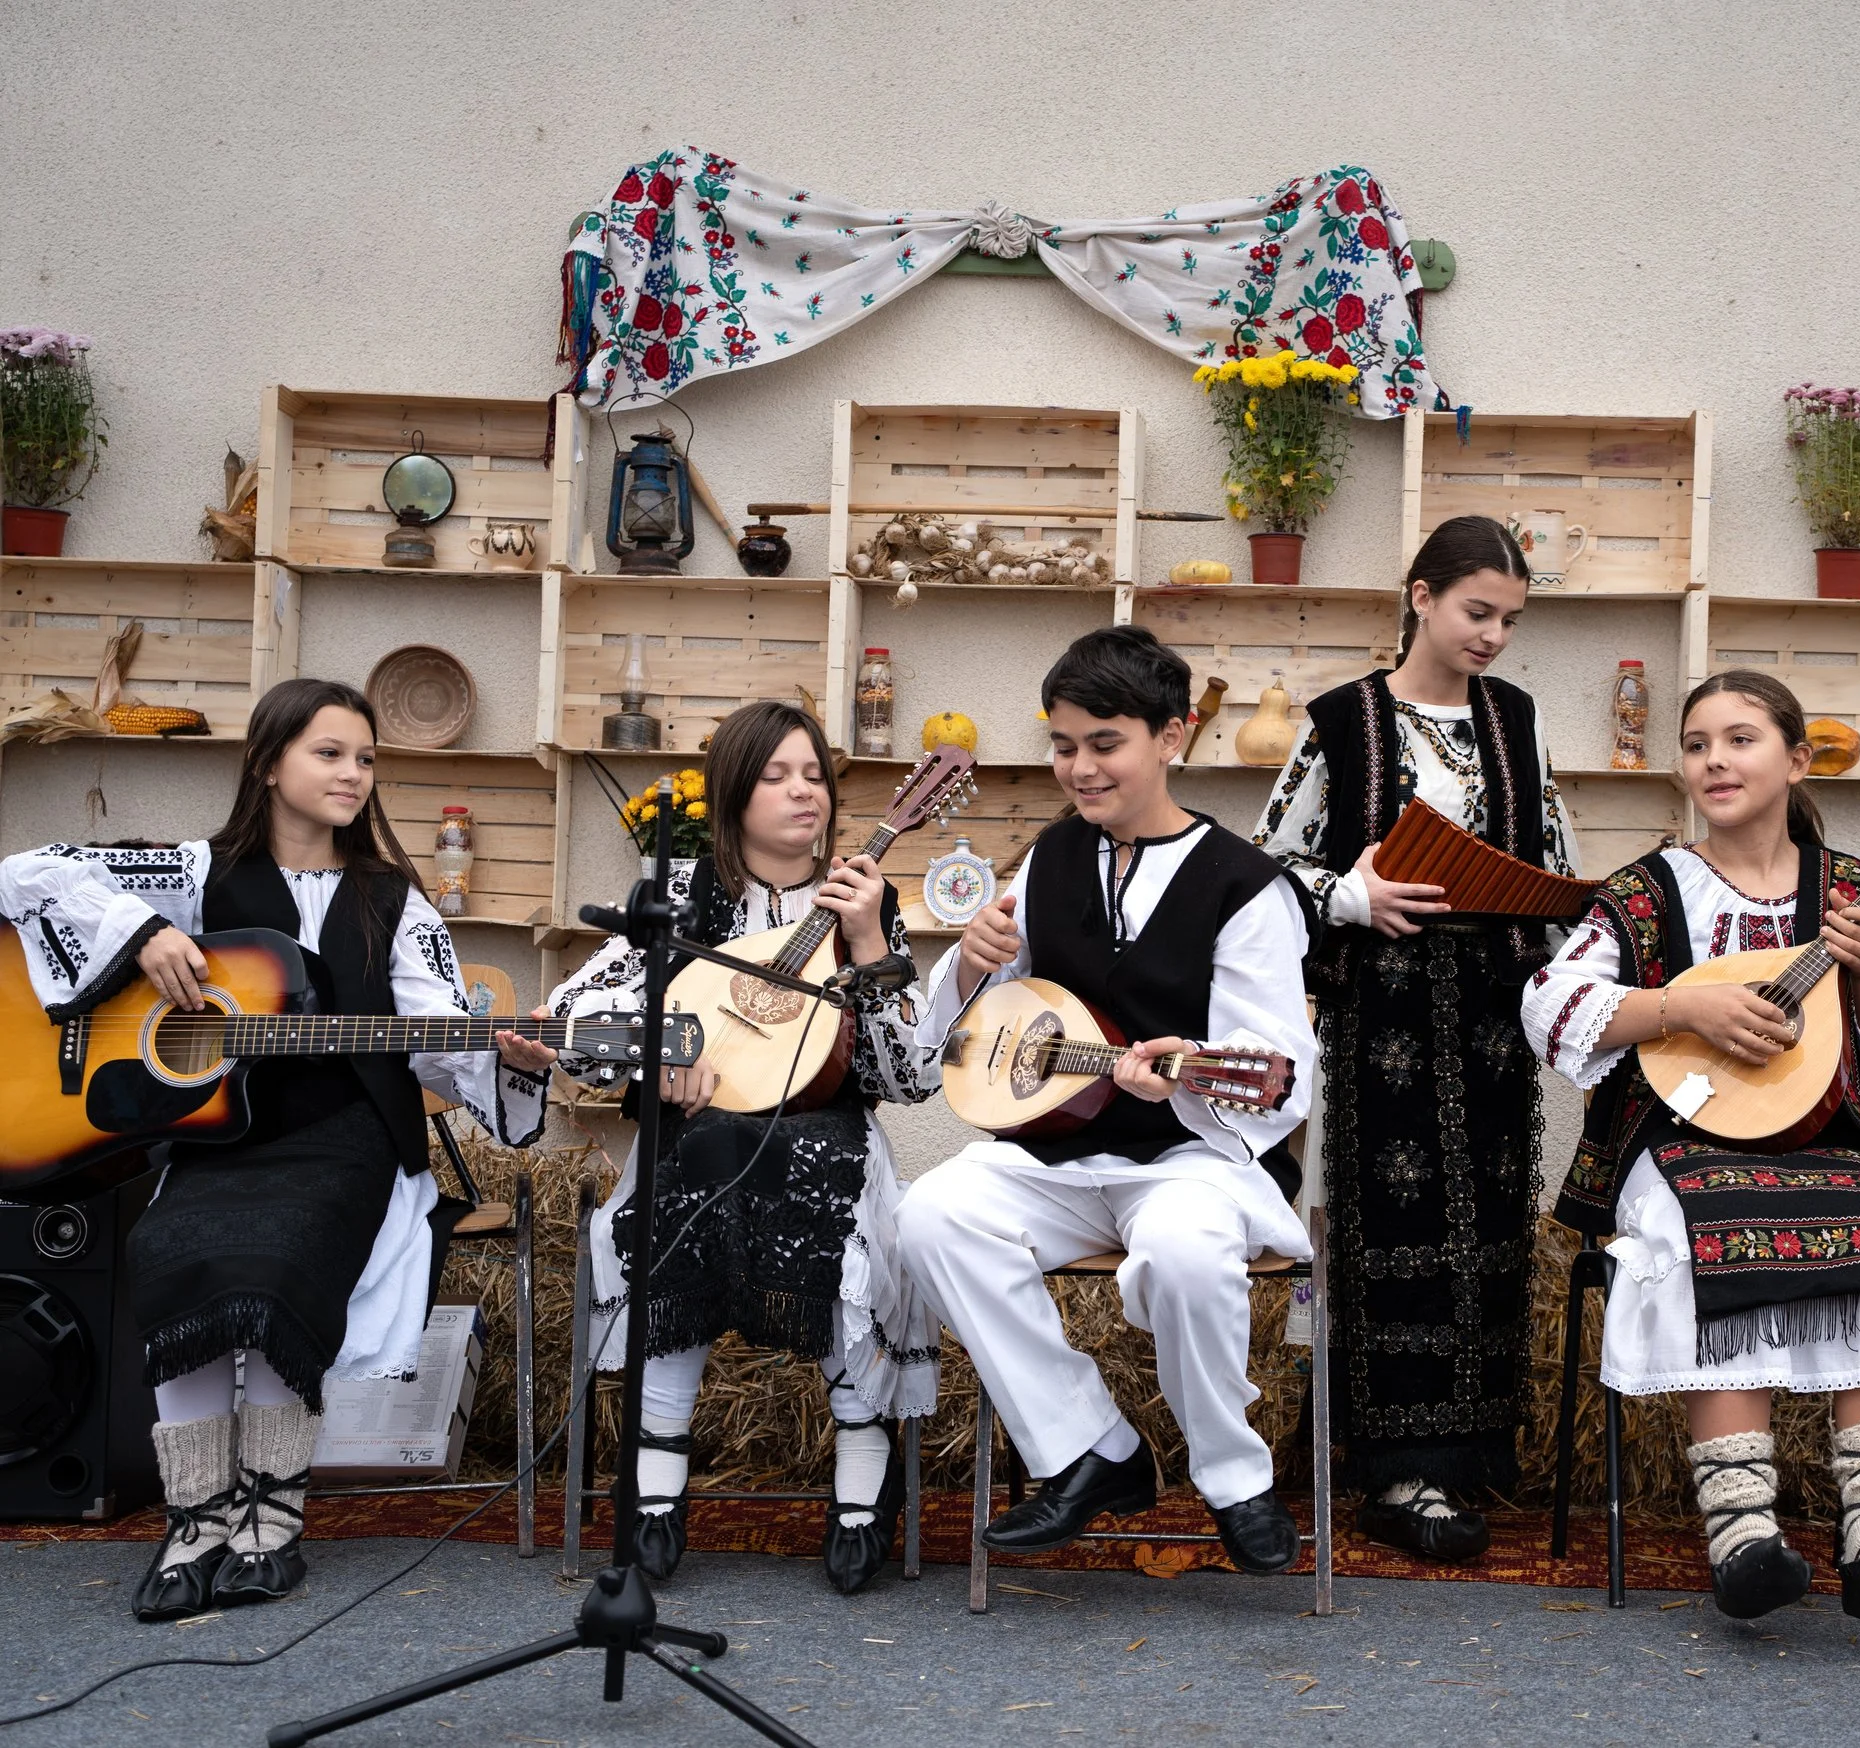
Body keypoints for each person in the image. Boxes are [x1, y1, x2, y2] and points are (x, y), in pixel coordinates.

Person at [0, 678, 552, 1621]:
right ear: (267, 764)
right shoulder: (190, 873)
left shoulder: (394, 900)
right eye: (329, 753)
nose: (353, 774)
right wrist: (140, 935)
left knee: (274, 1267)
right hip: (218, 1143)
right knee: (176, 1255)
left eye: (366, 758)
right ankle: (195, 1521)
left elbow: (428, 1025)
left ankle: (269, 1518)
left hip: (345, 1139)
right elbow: (25, 873)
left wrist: (498, 1051)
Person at [1527, 671, 1860, 1622]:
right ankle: (1743, 1538)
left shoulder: (1849, 890)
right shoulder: (1647, 891)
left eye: (1740, 739)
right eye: (1696, 744)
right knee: (1699, 1237)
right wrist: (1682, 1005)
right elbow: (1551, 1004)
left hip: (1831, 1140)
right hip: (1680, 1142)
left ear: (1798, 760)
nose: (1714, 760)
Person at [896, 626, 1315, 1576]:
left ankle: (1233, 1476)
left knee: (1181, 1251)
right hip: (1060, 1156)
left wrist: (1191, 1065)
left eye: (1104, 744)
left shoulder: (1247, 886)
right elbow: (976, 1033)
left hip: (1188, 1159)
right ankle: (1089, 1448)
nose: (1079, 769)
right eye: (1062, 745)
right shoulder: (1047, 861)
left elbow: (1278, 1069)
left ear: (1173, 737)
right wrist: (967, 964)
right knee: (929, 1215)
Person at [541, 700, 936, 1594]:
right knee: (691, 1171)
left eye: (816, 777)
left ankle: (865, 1473)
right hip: (701, 1141)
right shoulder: (681, 896)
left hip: (824, 1134)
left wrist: (871, 940)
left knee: (824, 1193)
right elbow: (575, 1017)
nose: (804, 794)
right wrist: (667, 1050)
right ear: (732, 791)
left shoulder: (865, 904)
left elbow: (907, 1078)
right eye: (776, 775)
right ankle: (654, 1484)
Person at [1252, 513, 1577, 1562]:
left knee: (1484, 1224)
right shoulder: (1343, 720)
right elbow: (1265, 868)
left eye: (1510, 620)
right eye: (1477, 611)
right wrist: (1349, 895)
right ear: (1420, 595)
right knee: (1385, 1229)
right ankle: (1393, 1464)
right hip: (1375, 1016)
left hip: (1489, 1012)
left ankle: (1470, 1448)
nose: (1492, 635)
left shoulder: (1515, 719)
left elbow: (1557, 854)